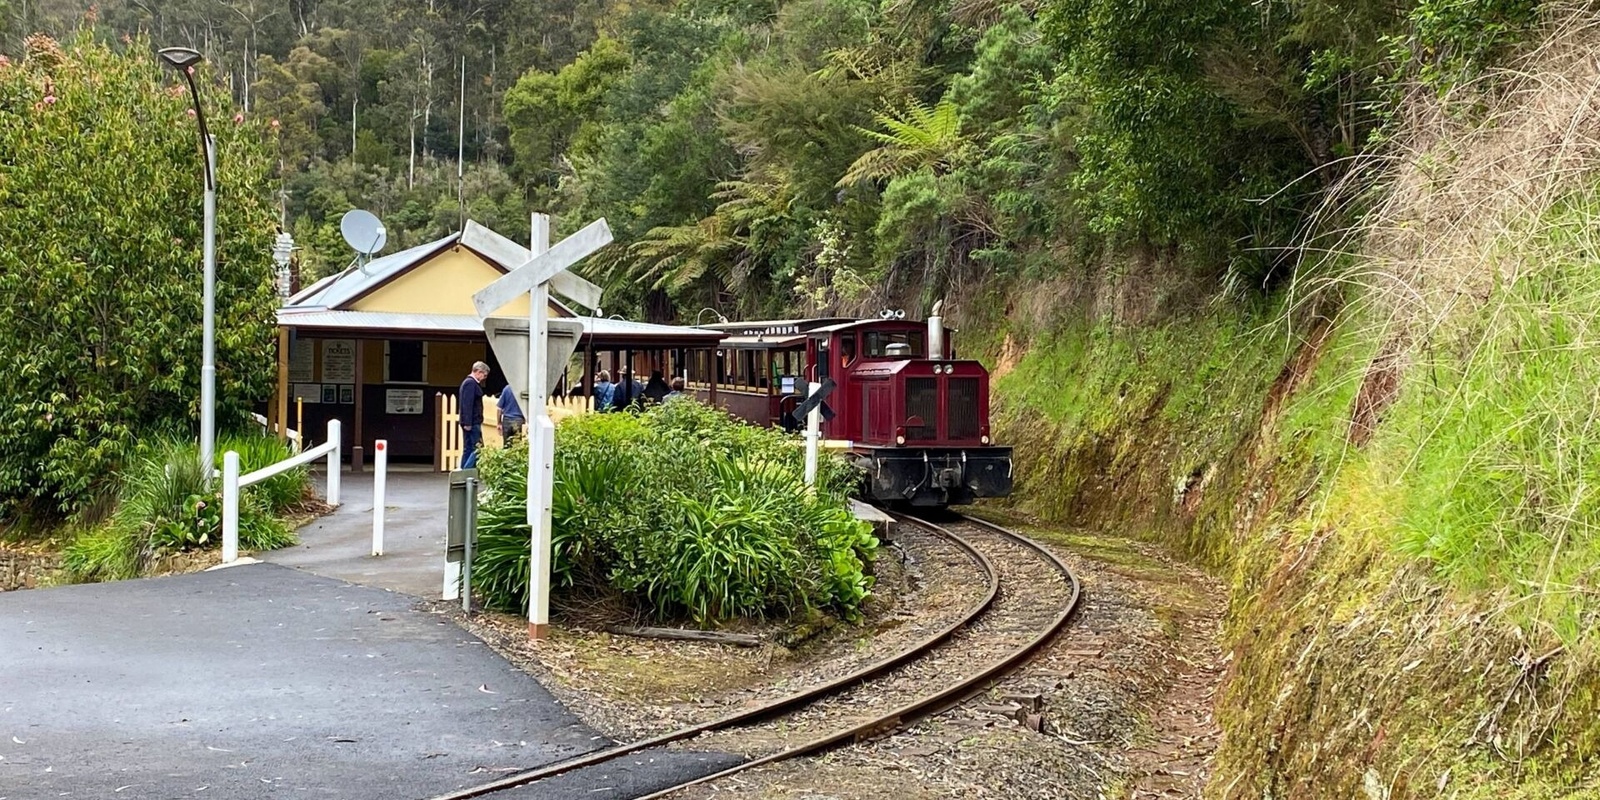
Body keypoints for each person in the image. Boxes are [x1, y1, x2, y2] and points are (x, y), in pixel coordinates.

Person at [459, 361, 489, 469]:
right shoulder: (471, 383)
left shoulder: (468, 383)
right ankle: (467, 470)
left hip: (470, 421)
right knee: (477, 447)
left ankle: (463, 472)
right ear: (479, 372)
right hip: (472, 422)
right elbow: (468, 404)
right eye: (484, 375)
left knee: (468, 448)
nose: (484, 378)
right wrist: (468, 423)